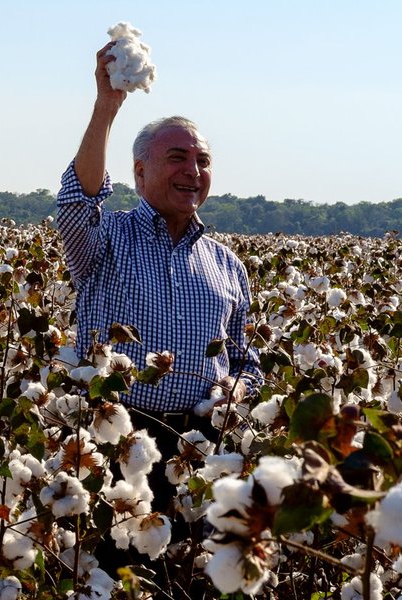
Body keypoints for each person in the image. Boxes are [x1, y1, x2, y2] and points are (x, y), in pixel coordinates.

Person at [56, 41, 263, 589]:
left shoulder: (227, 265)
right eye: (178, 159)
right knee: (108, 579)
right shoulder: (104, 241)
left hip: (197, 449)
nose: (193, 171)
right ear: (140, 170)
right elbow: (77, 202)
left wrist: (235, 394)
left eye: (203, 161)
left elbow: (246, 361)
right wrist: (107, 106)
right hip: (114, 444)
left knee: (186, 582)